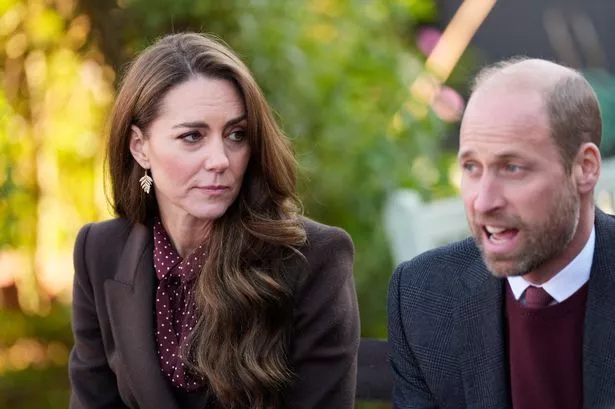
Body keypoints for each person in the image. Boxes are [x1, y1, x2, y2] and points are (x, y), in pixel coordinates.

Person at [69, 32, 359, 409]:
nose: (221, 159)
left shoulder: (314, 259)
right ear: (140, 147)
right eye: (193, 136)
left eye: (236, 135)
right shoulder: (100, 252)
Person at [388, 57, 615, 409]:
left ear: (585, 168)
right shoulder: (423, 296)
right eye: (471, 167)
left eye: (512, 167)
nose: (484, 201)